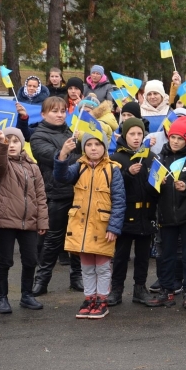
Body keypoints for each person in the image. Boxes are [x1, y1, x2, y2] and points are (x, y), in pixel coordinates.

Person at [54, 129, 125, 319]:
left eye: (98, 144)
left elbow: (119, 200)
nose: (93, 148)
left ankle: (102, 299)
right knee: (86, 266)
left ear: (104, 147)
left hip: (102, 226)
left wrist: (114, 227)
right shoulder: (79, 167)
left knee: (102, 266)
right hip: (81, 226)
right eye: (89, 145)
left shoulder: (113, 169)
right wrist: (63, 154)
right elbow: (61, 177)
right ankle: (89, 298)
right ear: (84, 148)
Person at [144, 117, 186, 309]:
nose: (175, 141)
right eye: (172, 137)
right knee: (166, 256)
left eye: (180, 138)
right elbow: (150, 192)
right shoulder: (159, 158)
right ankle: (166, 291)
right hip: (166, 217)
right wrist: (156, 186)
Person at [0, 126, 48, 314]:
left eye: (15, 141)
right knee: (5, 261)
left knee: (31, 260)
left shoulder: (33, 167)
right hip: (5, 221)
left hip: (29, 222)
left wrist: (42, 222)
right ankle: (2, 298)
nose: (12, 145)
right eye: (9, 141)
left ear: (22, 144)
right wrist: (1, 142)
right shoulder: (2, 166)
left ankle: (27, 295)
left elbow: (40, 196)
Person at [30, 96, 84, 294]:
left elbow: (82, 159)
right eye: (55, 111)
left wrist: (74, 149)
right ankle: (41, 280)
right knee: (52, 240)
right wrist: (65, 153)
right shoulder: (38, 136)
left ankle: (77, 277)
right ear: (44, 114)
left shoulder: (70, 131)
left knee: (77, 236)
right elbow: (54, 159)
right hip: (55, 193)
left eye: (62, 111)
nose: (60, 114)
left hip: (77, 191)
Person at [107, 117, 159, 306]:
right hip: (125, 215)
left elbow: (154, 189)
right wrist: (128, 174)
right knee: (121, 256)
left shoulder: (150, 157)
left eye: (139, 134)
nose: (136, 138)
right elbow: (112, 186)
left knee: (143, 256)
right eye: (132, 134)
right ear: (124, 135)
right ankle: (117, 290)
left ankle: (140, 289)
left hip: (146, 215)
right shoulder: (116, 158)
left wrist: (160, 183)